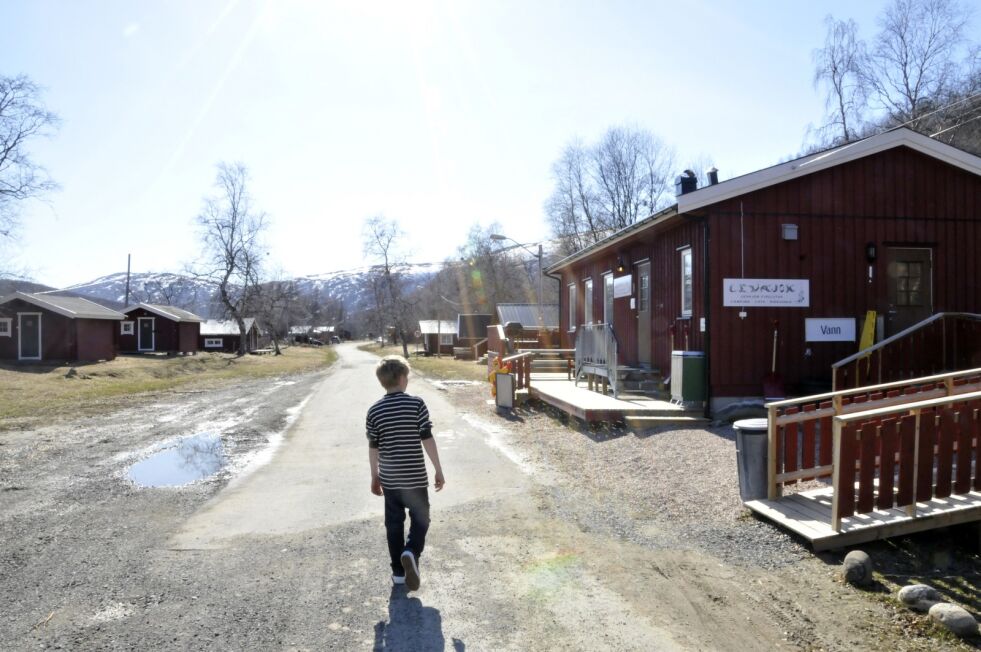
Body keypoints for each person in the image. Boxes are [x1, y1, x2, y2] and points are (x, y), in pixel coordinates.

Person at [367, 355, 445, 591]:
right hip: (415, 478)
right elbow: (427, 438)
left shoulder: (374, 411)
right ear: (402, 378)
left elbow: (373, 447)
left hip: (391, 480)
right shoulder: (416, 404)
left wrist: (375, 475)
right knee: (421, 519)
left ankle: (398, 573)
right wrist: (438, 469)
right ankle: (411, 551)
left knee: (394, 524)